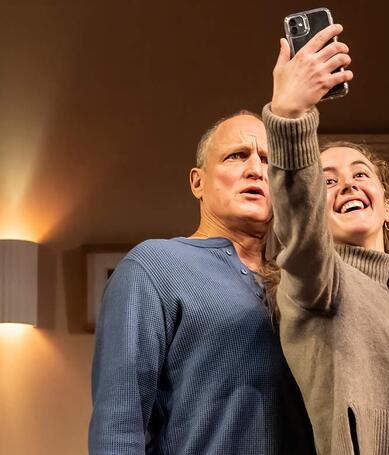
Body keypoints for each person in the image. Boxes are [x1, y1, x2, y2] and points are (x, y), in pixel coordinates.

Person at [261, 24, 389, 455]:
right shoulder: (319, 286)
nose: (348, 186)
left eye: (360, 174)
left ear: (388, 208)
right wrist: (290, 115)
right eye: (327, 181)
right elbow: (300, 225)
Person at [89, 112, 314, 454]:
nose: (255, 169)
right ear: (197, 182)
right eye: (236, 155)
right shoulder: (154, 265)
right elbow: (119, 425)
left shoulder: (298, 286)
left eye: (268, 161)